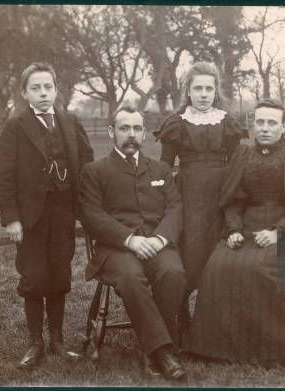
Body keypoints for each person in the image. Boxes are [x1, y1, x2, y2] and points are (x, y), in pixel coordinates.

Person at [183, 99, 285, 365]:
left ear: (284, 126)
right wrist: (233, 229)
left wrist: (278, 232)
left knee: (261, 268)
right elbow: (232, 199)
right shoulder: (243, 154)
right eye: (260, 122)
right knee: (218, 265)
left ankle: (269, 345)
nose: (265, 129)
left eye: (272, 123)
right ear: (252, 125)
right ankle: (221, 347)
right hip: (247, 226)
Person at [0, 62, 93, 368]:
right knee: (34, 276)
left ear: (56, 89)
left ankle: (57, 341)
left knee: (58, 275)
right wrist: (12, 218)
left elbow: (87, 164)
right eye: (35, 88)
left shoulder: (69, 121)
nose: (42, 93)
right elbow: (3, 175)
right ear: (25, 93)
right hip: (31, 216)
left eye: (47, 87)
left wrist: (87, 209)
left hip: (63, 212)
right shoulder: (15, 126)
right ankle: (35, 343)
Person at [79, 107, 187, 381]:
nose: (131, 135)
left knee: (173, 272)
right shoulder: (95, 171)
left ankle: (150, 348)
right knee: (131, 276)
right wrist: (130, 239)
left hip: (157, 244)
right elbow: (92, 216)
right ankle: (162, 352)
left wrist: (160, 238)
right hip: (116, 248)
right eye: (124, 128)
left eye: (137, 129)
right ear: (111, 132)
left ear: (144, 134)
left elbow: (175, 208)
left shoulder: (160, 169)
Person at [153, 62, 248, 326]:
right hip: (189, 195)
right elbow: (163, 167)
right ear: (188, 91)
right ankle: (181, 310)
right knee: (190, 252)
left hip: (220, 194)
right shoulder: (177, 123)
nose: (204, 94)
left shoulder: (227, 122)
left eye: (209, 88)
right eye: (198, 88)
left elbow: (237, 163)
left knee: (217, 253)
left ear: (216, 91)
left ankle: (214, 317)